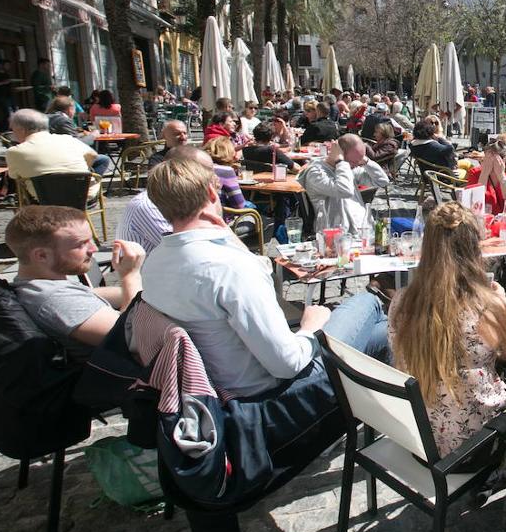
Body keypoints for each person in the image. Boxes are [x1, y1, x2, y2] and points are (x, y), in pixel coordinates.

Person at [140, 153, 389, 463]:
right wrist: (312, 326)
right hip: (266, 396)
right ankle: (387, 421)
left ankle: (383, 419)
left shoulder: (155, 261)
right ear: (210, 194)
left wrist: (225, 235)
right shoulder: (230, 269)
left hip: (213, 383)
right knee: (369, 303)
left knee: (383, 333)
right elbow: (286, 364)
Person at [389, 202, 506, 459]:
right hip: (480, 446)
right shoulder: (489, 307)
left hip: (422, 441)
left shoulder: (401, 302)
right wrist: (505, 306)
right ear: (474, 249)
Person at [6, 205, 145, 362]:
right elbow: (135, 339)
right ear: (42, 255)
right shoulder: (55, 299)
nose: (93, 249)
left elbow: (92, 295)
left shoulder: (41, 285)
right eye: (81, 244)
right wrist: (130, 276)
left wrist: (151, 293)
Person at [297, 134, 389, 239]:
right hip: (337, 236)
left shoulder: (349, 168)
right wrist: (341, 162)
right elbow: (345, 191)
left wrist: (365, 161)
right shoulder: (316, 173)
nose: (357, 165)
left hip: (363, 231)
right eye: (354, 162)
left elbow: (382, 181)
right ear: (339, 154)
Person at [5, 109, 105, 198]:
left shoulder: (15, 151)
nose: (13, 134)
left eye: (13, 130)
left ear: (21, 130)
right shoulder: (68, 139)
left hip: (46, 199)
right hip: (83, 195)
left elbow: (15, 177)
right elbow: (93, 155)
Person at [47, 95, 112, 171]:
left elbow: (65, 136)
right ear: (69, 109)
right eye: (74, 110)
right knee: (103, 160)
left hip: (48, 157)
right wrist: (93, 135)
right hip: (64, 159)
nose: (74, 113)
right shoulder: (64, 120)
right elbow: (78, 144)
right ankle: (88, 181)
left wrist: (81, 134)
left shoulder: (45, 118)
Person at [464, 138, 506, 215]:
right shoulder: (475, 173)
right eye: (488, 158)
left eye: (496, 160)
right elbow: (475, 201)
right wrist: (484, 173)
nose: (491, 162)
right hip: (482, 218)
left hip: (505, 219)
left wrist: (501, 176)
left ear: (504, 160)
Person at [203, 136, 250, 214]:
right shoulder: (226, 171)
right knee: (250, 208)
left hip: (195, 215)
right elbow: (239, 205)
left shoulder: (198, 167)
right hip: (219, 217)